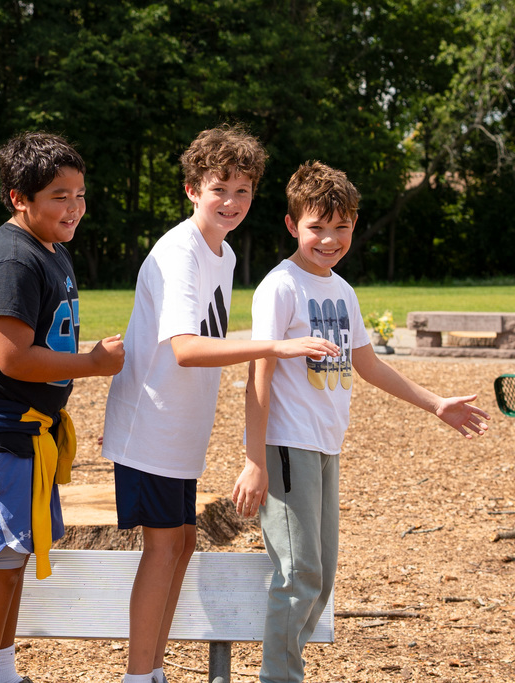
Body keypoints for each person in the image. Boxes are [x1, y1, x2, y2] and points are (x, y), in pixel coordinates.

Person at [233, 160, 490, 683]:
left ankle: (285, 669)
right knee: (298, 573)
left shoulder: (342, 291)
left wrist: (436, 403)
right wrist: (253, 460)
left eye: (341, 227)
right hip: (286, 447)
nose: (329, 239)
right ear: (291, 225)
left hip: (326, 447)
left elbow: (368, 364)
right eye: (316, 227)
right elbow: (257, 376)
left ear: (353, 224)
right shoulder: (280, 287)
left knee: (320, 578)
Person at [100, 125, 340, 683]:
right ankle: (140, 674)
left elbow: (205, 341)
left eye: (243, 191)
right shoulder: (179, 250)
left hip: (181, 431)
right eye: (219, 189)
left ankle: (152, 668)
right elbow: (185, 350)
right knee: (163, 550)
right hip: (150, 426)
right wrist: (276, 344)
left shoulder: (224, 253)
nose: (232, 203)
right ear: (191, 189)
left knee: (181, 543)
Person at [0, 131, 125, 683]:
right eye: (59, 195)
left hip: (20, 427)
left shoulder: (50, 250)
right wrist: (92, 363)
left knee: (11, 557)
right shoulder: (14, 258)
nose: (75, 207)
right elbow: (12, 358)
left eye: (80, 194)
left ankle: (3, 670)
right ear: (21, 198)